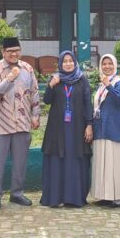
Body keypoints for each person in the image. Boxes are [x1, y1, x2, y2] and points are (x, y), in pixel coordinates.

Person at [0, 37, 41, 210]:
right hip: (0, 124)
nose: (14, 54)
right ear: (3, 52)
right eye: (10, 51)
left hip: (22, 122)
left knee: (20, 162)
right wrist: (9, 78)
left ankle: (17, 194)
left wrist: (35, 115)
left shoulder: (27, 68)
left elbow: (34, 92)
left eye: (16, 50)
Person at [40, 51, 93, 208]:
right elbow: (47, 100)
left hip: (77, 127)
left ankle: (74, 197)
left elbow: (87, 103)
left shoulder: (82, 79)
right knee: (58, 158)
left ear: (75, 62)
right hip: (57, 128)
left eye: (71, 61)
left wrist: (89, 124)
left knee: (75, 159)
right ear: (60, 64)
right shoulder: (56, 78)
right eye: (65, 61)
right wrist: (51, 85)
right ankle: (56, 197)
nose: (68, 64)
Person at [90, 53, 120, 207]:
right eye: (104, 64)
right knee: (102, 161)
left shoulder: (118, 82)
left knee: (115, 162)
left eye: (110, 64)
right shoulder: (101, 84)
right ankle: (104, 195)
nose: (106, 66)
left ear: (115, 65)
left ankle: (116, 196)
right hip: (101, 127)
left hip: (114, 127)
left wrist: (109, 85)